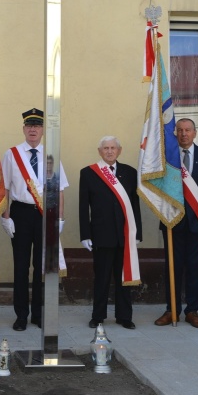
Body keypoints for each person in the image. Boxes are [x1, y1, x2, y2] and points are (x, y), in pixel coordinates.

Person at [0, 108, 68, 331]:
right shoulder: (12, 154)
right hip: (20, 212)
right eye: (29, 126)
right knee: (21, 266)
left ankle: (38, 314)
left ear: (42, 130)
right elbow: (5, 189)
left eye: (37, 126)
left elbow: (59, 190)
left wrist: (60, 218)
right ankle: (21, 315)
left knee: (42, 266)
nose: (32, 130)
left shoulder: (51, 154)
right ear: (23, 129)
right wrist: (6, 216)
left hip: (44, 214)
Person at [154, 118, 198, 329]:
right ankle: (171, 309)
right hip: (172, 221)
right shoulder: (167, 157)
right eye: (179, 130)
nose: (183, 134)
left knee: (193, 268)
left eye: (188, 130)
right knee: (172, 267)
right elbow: (160, 188)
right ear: (175, 134)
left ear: (195, 133)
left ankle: (192, 310)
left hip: (197, 222)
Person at [79, 136, 142, 330]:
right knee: (102, 278)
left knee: (124, 277)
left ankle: (124, 316)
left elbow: (135, 205)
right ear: (100, 151)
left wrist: (137, 232)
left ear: (119, 151)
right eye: (105, 148)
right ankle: (98, 316)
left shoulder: (130, 173)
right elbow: (83, 206)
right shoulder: (89, 173)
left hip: (125, 234)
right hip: (101, 234)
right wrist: (85, 234)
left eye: (113, 148)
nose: (109, 151)